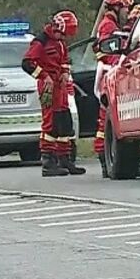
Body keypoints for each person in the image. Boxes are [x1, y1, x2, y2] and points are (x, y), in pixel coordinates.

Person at [22, 10, 86, 177]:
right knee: (50, 123)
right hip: (47, 87)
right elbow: (27, 63)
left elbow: (65, 61)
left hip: (60, 86)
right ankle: (48, 162)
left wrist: (65, 72)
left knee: (64, 122)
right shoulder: (41, 42)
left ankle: (65, 159)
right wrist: (44, 76)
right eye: (64, 35)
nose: (65, 38)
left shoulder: (60, 43)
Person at [93, 0, 140, 178]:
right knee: (106, 122)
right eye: (126, 8)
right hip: (110, 76)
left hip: (114, 76)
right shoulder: (108, 26)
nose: (127, 12)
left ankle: (124, 160)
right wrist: (122, 63)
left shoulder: (112, 25)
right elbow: (107, 52)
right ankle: (106, 160)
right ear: (117, 7)